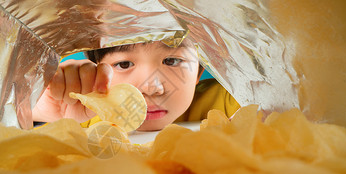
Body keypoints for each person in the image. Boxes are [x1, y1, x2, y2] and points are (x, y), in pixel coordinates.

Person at [32, 41, 240, 131]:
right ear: (98, 72)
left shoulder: (228, 100)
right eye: (124, 64)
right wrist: (37, 111)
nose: (152, 88)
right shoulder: (82, 118)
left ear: (198, 73)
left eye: (172, 61)